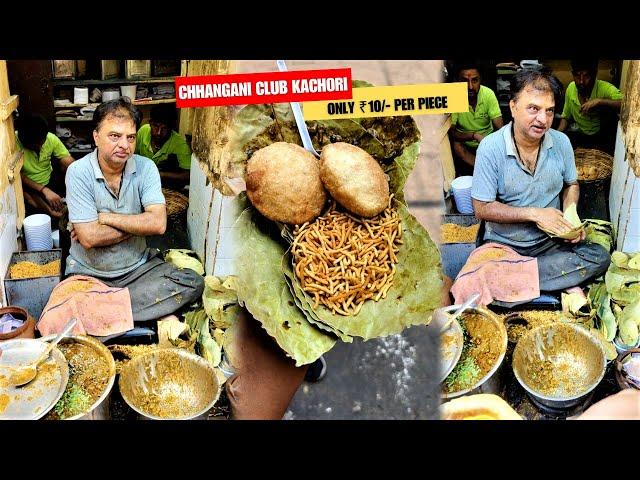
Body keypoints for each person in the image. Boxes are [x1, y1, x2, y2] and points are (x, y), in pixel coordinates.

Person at [470, 69, 610, 293]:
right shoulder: (490, 147)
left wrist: (569, 216)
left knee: (599, 257)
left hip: (551, 242)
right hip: (505, 244)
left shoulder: (562, 142)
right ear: (513, 107)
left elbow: (571, 184)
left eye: (550, 111)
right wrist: (534, 213)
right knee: (476, 276)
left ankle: (516, 281)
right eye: (533, 109)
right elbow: (481, 208)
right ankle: (556, 281)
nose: (543, 120)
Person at [65, 97, 204, 324]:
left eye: (130, 137)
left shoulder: (146, 168)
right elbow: (89, 238)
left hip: (139, 269)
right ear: (96, 137)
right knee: (62, 310)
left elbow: (158, 225)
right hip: (89, 273)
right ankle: (136, 312)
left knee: (192, 282)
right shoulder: (78, 172)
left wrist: (106, 218)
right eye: (114, 136)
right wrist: (140, 225)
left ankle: (107, 313)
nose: (124, 145)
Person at [16, 113, 75, 219]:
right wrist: (44, 190)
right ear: (22, 140)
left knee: (61, 207)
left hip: (48, 181)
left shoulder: (50, 138)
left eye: (41, 143)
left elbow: (69, 162)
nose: (39, 147)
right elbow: (19, 176)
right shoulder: (13, 144)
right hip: (26, 187)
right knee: (40, 212)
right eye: (34, 145)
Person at [449, 64, 504, 177]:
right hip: (465, 143)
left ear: (480, 80)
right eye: (464, 81)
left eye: (474, 80)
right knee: (456, 146)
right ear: (458, 81)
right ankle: (481, 167)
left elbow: (500, 127)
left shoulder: (488, 94)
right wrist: (474, 135)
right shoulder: (454, 96)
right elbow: (452, 133)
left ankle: (487, 167)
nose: (470, 87)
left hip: (487, 141)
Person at [557, 59, 622, 153]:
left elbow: (625, 104)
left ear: (594, 74)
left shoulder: (604, 88)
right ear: (572, 74)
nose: (581, 81)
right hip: (582, 135)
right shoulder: (571, 88)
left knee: (609, 111)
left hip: (602, 137)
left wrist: (600, 101)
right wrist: (556, 135)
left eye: (586, 76)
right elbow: (566, 117)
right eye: (577, 76)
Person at [135, 104, 192, 190]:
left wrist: (161, 174)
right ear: (150, 123)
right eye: (156, 126)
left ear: (171, 128)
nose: (159, 132)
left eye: (164, 128)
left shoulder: (180, 145)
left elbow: (188, 175)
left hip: (166, 186)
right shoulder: (143, 131)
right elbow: (131, 157)